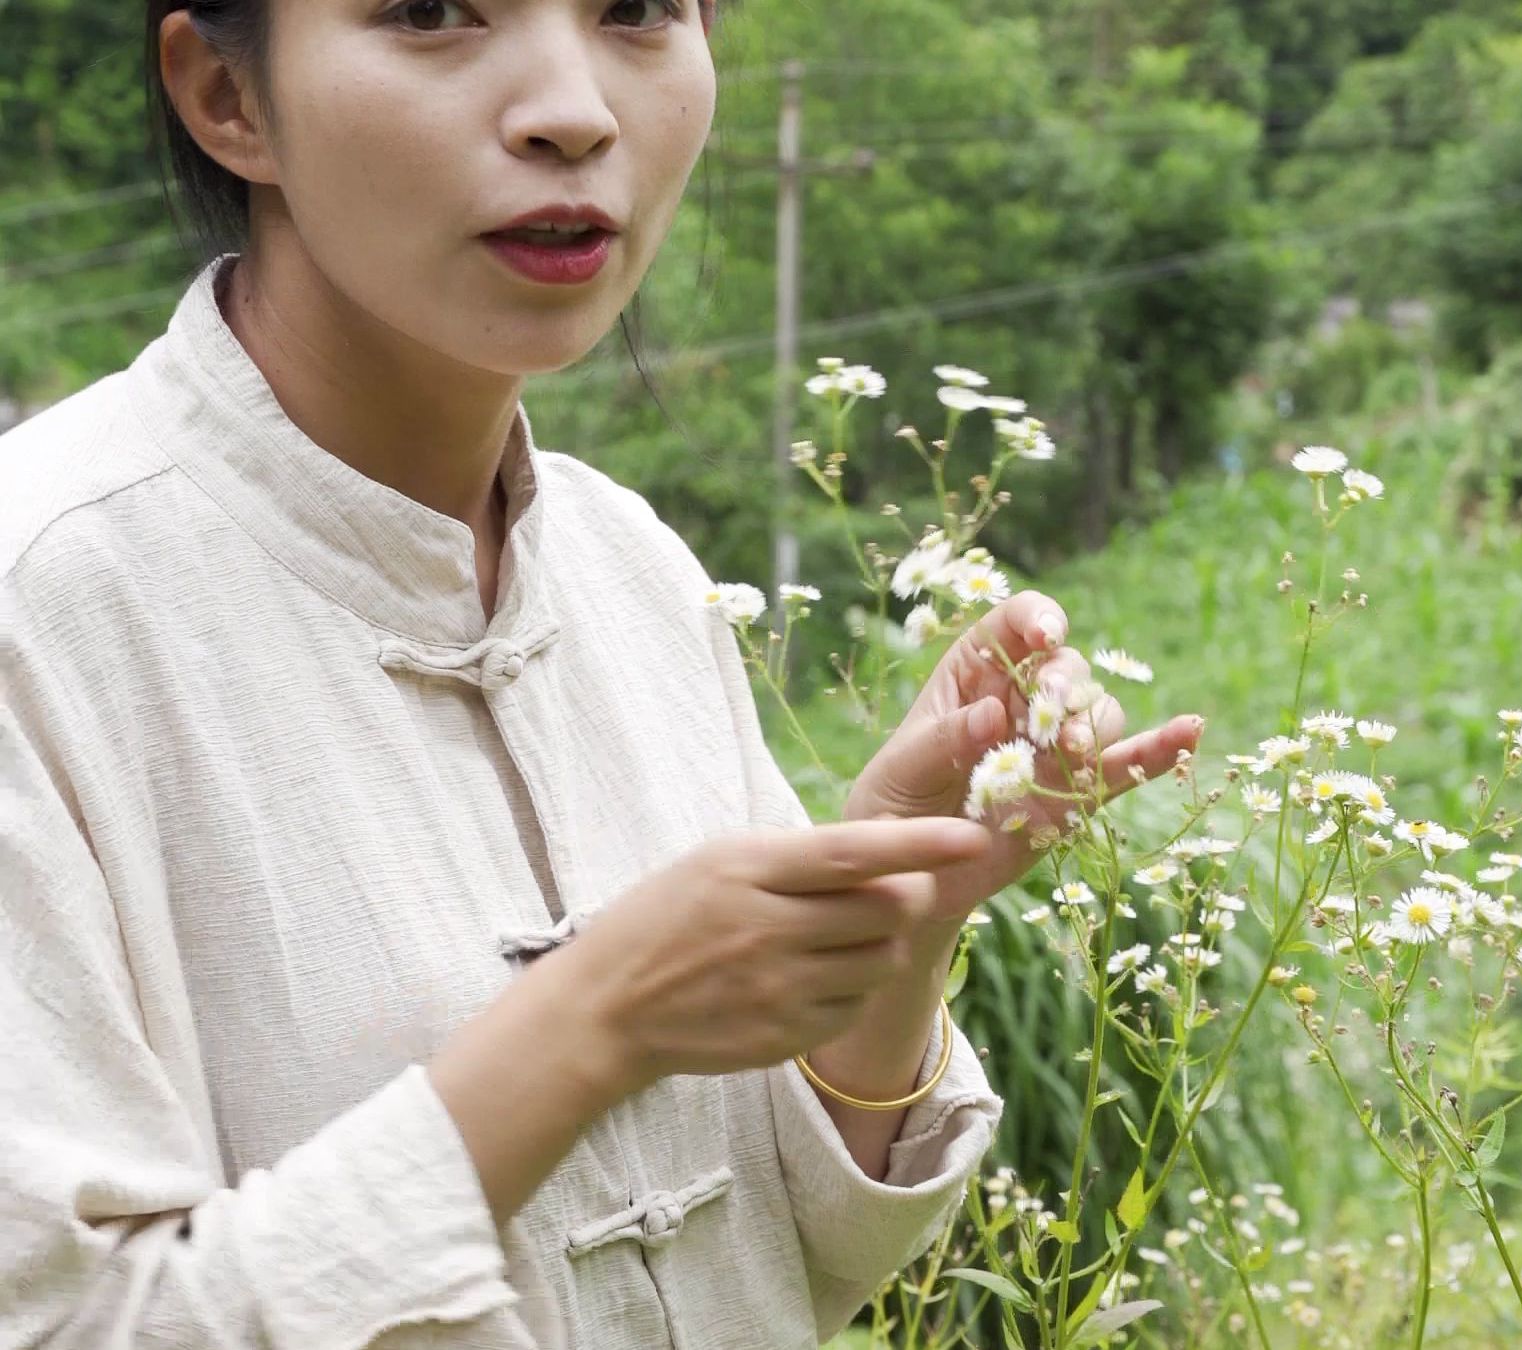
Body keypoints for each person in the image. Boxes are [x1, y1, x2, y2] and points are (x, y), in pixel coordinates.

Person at [0, 1, 1204, 1345]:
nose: (572, 107)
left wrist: (890, 925)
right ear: (228, 93)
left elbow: (795, 1265)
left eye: (636, 9)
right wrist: (593, 1020)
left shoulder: (628, 563)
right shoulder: (39, 610)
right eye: (432, 12)